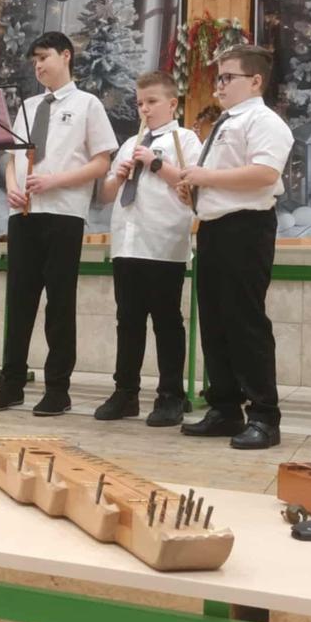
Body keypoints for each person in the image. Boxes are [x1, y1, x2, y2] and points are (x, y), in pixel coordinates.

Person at [0, 32, 117, 417]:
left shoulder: (87, 104)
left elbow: (101, 162)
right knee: (19, 301)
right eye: (35, 61)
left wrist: (55, 181)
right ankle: (11, 383)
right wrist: (12, 186)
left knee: (59, 303)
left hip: (63, 214)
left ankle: (58, 388)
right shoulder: (28, 106)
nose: (38, 66)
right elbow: (13, 159)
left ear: (66, 56)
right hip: (24, 215)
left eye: (44, 57)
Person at [178, 45, 293, 450]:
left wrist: (205, 178)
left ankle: (264, 415)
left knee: (245, 322)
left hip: (245, 229)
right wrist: (194, 191)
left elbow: (264, 173)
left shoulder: (264, 121)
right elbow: (223, 178)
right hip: (213, 228)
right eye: (219, 77)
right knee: (214, 322)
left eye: (228, 77)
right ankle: (225, 408)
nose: (219, 85)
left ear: (255, 81)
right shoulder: (228, 121)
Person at [94, 71, 202, 427]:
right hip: (127, 241)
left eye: (152, 102)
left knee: (167, 321)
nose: (145, 109)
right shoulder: (130, 143)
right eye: (140, 103)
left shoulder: (185, 140)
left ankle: (171, 395)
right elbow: (106, 195)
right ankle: (125, 392)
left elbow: (190, 185)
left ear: (172, 104)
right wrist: (118, 174)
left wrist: (154, 163)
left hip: (163, 242)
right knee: (128, 320)